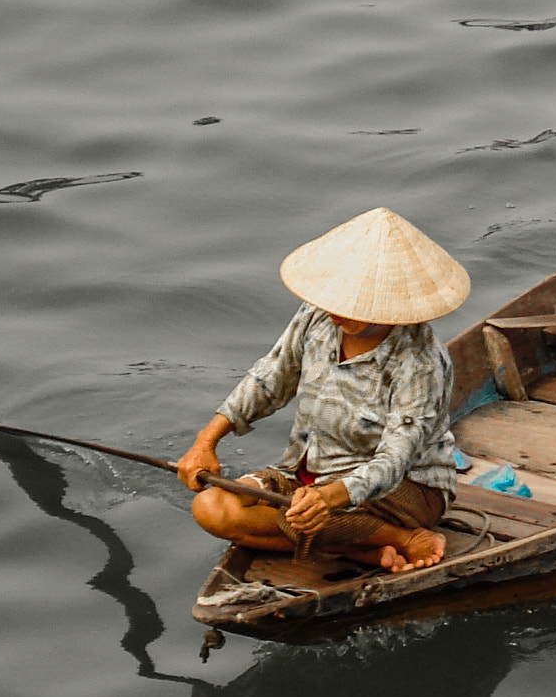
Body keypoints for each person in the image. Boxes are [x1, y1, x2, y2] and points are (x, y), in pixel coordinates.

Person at [175, 208, 468, 573]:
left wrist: (328, 499)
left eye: (350, 306)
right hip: (308, 473)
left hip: (401, 489)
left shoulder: (421, 361)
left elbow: (393, 461)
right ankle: (372, 545)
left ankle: (395, 534)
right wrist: (206, 442)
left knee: (279, 519)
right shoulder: (319, 315)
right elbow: (270, 378)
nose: (336, 313)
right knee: (212, 507)